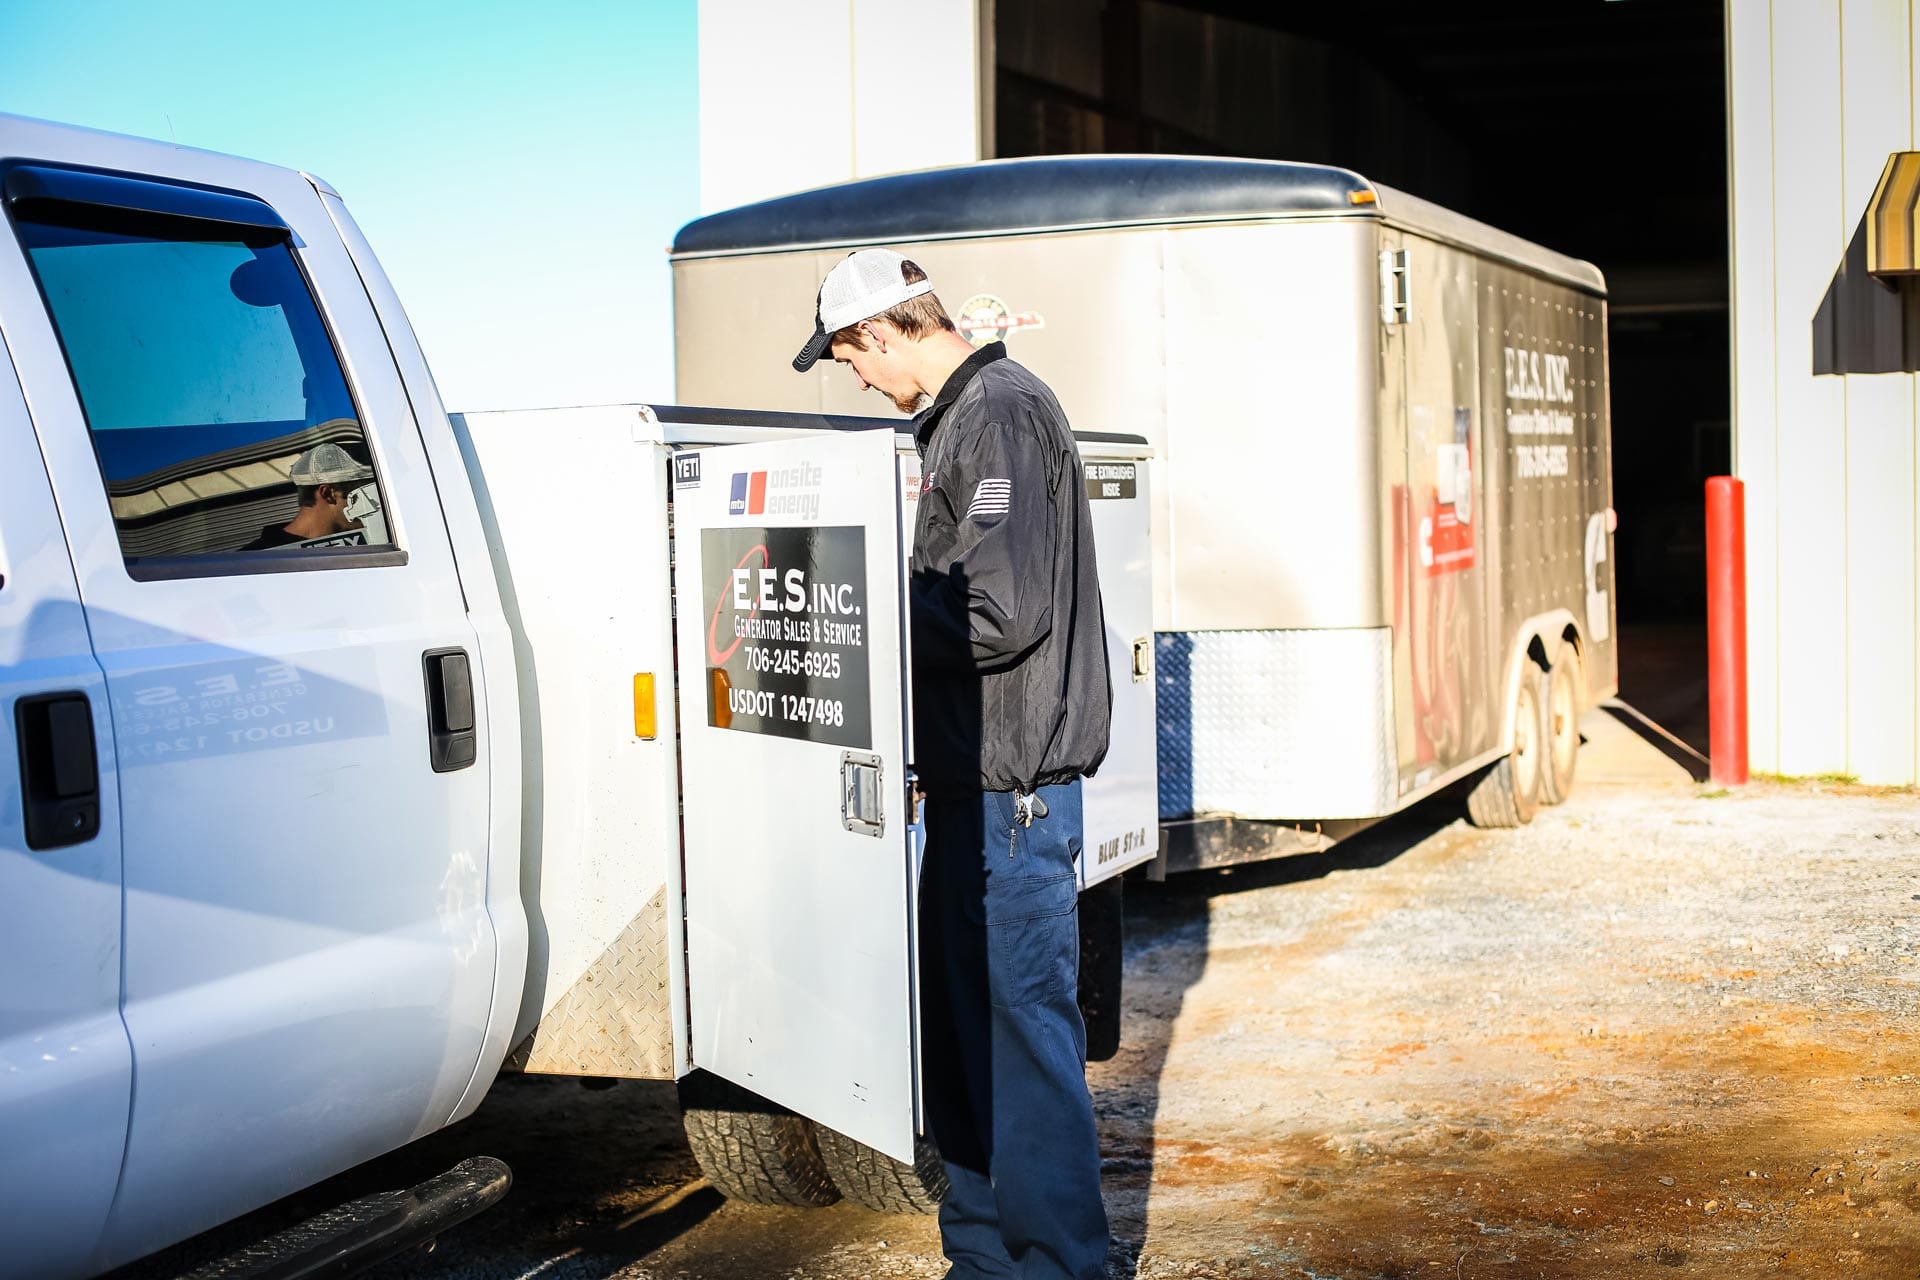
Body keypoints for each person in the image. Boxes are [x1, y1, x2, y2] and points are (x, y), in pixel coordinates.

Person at [795, 248, 1112, 1279]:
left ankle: (1061, 1267)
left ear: (882, 332)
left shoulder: (1000, 414)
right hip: (974, 799)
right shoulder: (966, 422)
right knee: (968, 1061)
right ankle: (983, 1263)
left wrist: (871, 615)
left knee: (1021, 1064)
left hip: (1011, 804)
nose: (857, 380)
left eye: (851, 359)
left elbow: (998, 608)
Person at [241, 442, 373, 550]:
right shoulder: (255, 561)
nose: (375, 504)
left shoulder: (370, 540)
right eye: (365, 494)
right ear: (328, 494)